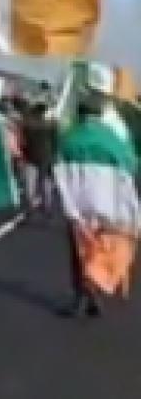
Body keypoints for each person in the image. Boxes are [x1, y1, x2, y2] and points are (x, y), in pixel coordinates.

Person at [56, 66, 141, 318]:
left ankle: (83, 295)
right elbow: (131, 166)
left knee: (80, 250)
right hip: (107, 205)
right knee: (97, 249)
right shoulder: (116, 138)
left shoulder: (71, 137)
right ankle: (92, 293)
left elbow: (59, 170)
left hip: (81, 204)